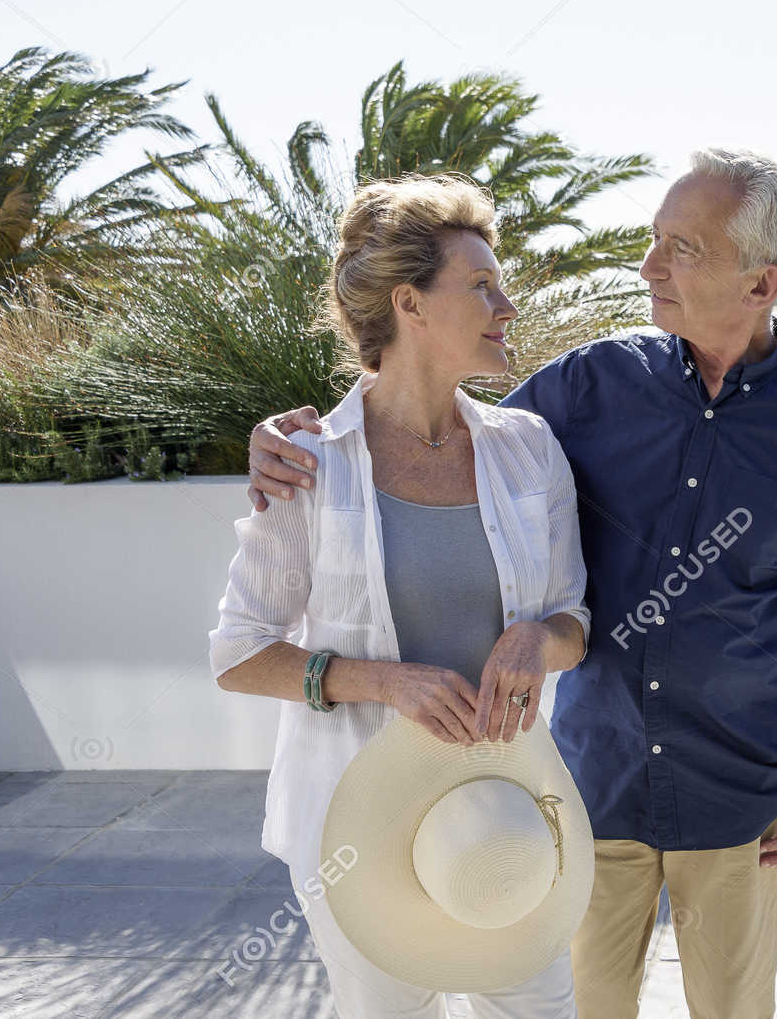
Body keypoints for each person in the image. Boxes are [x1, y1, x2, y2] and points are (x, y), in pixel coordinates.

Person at [246, 148, 777, 1019]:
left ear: (762, 284)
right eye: (654, 240)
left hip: (744, 800)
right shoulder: (585, 386)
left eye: (683, 247)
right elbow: (429, 414)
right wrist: (291, 436)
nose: (650, 266)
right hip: (588, 792)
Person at [210, 173, 591, 1018]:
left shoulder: (528, 450)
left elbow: (574, 619)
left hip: (509, 816)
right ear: (410, 304)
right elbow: (239, 654)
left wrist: (541, 642)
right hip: (357, 827)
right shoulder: (310, 463)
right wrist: (384, 681)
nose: (508, 305)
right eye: (482, 285)